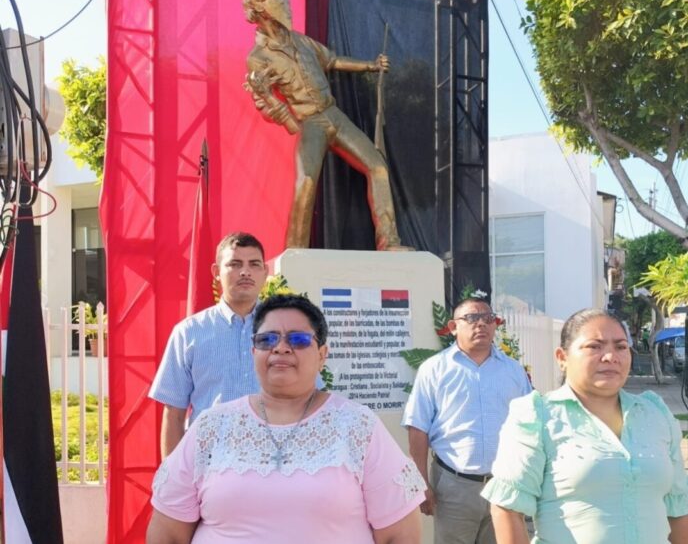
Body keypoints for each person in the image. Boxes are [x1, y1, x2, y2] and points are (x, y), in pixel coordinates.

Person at [147, 294, 425, 543]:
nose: (281, 348)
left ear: (321, 355)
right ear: (254, 352)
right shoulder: (212, 426)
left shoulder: (358, 426)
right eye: (267, 340)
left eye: (298, 339)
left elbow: (400, 535)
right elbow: (168, 533)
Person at [482, 308, 688, 544]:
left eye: (621, 346)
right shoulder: (538, 417)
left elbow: (679, 504)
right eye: (594, 346)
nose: (610, 356)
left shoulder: (654, 413)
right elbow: (506, 509)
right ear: (562, 358)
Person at [242, 0, 409, 251]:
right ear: (259, 6)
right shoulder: (258, 58)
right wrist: (272, 102)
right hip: (310, 123)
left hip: (334, 115)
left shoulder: (301, 41)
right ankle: (296, 251)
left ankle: (389, 242)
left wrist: (370, 65)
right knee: (306, 182)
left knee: (378, 167)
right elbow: (264, 107)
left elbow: (332, 60)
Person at [402, 297, 533, 544]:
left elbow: (530, 424)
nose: (481, 324)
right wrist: (420, 483)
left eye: (488, 318)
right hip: (454, 486)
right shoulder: (434, 370)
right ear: (452, 327)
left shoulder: (513, 371)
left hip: (504, 485)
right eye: (472, 318)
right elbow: (418, 427)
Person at [149, 232, 269, 458]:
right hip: (209, 464)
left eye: (254, 264)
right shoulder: (189, 333)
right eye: (234, 264)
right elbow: (174, 413)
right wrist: (171, 478)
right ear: (216, 272)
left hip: (274, 465)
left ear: (265, 272)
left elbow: (309, 400)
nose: (245, 272)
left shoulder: (285, 330)